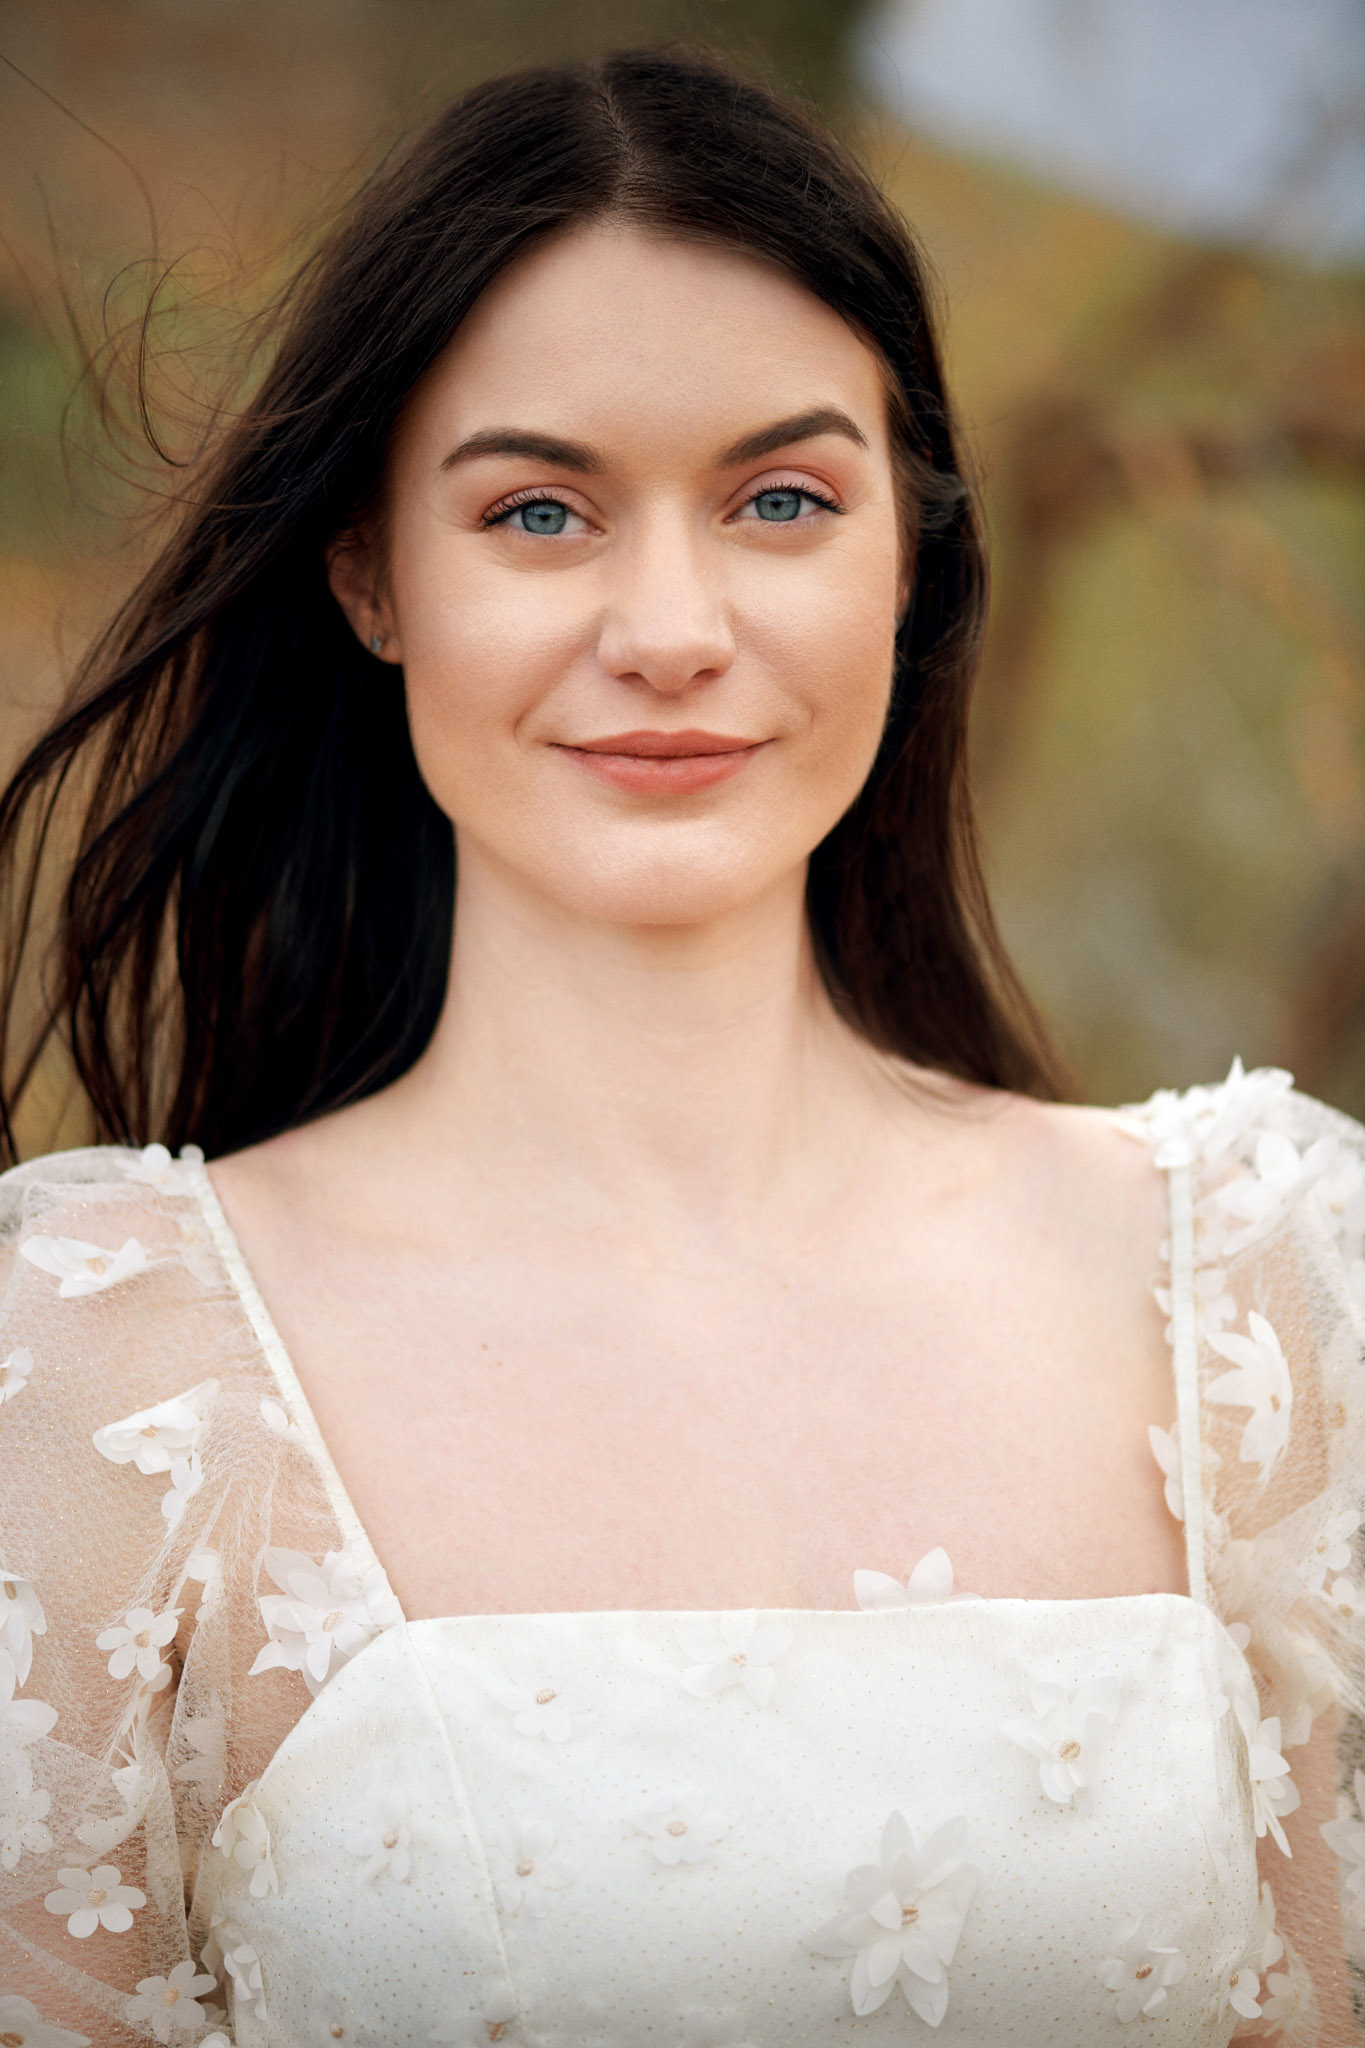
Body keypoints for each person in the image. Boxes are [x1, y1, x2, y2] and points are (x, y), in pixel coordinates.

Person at [0, 47, 1359, 2047]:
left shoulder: (1263, 1279)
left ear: (908, 561)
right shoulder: (103, 1355)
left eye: (781, 501)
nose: (665, 624)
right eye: (539, 511)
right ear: (371, 575)